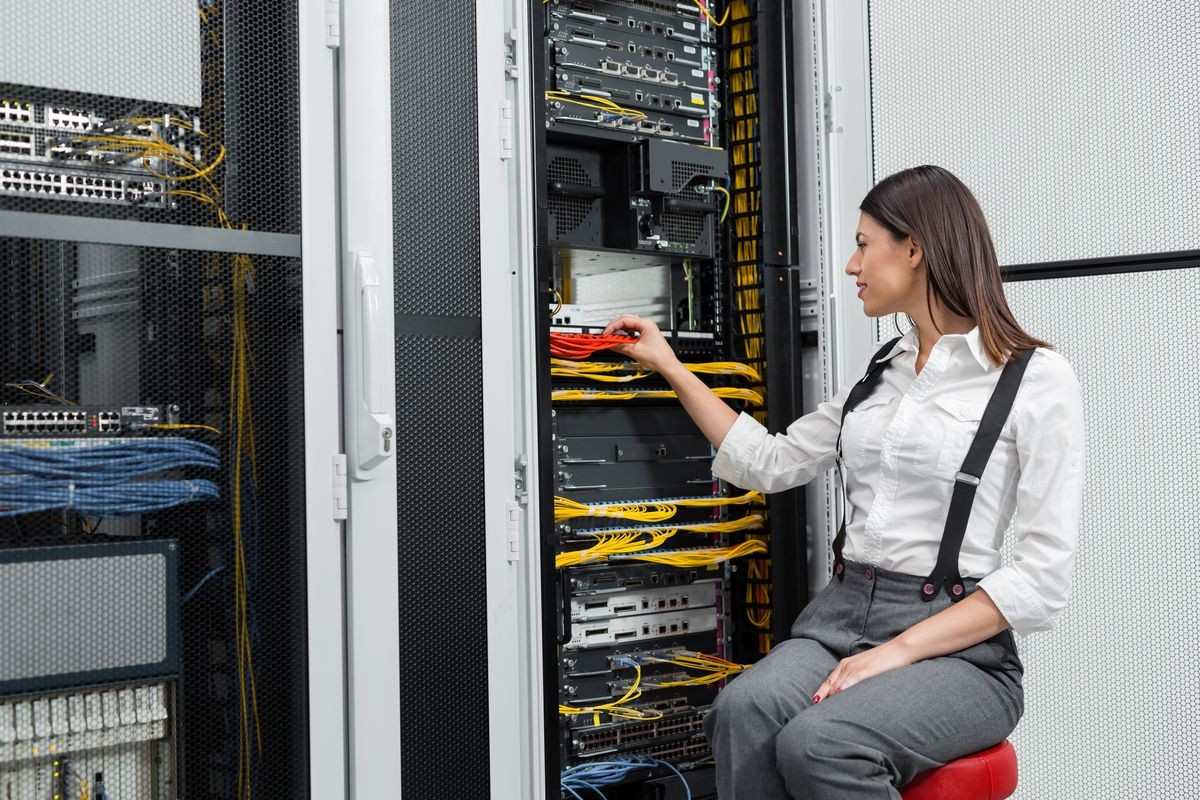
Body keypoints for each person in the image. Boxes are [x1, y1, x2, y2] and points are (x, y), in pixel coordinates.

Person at [601, 165, 1085, 799]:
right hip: (841, 617)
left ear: (914, 249)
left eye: (863, 243)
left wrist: (896, 652)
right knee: (743, 710)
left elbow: (1043, 579)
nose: (851, 266)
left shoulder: (1036, 379)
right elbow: (769, 462)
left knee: (823, 743)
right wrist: (669, 363)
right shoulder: (882, 371)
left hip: (960, 649)